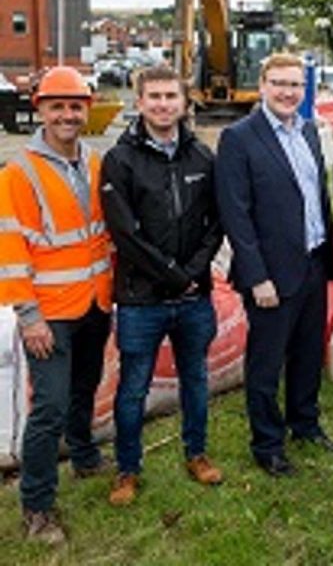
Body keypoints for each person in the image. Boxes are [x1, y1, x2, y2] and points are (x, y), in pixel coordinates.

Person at [100, 66, 224, 505]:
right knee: (133, 387)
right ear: (139, 102)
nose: (163, 104)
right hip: (141, 300)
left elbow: (217, 222)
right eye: (153, 96)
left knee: (195, 377)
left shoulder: (202, 157)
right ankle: (127, 469)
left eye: (171, 96)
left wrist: (193, 271)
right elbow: (125, 234)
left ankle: (197, 453)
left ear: (185, 102)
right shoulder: (121, 159)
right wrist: (175, 274)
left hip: (194, 299)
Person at [0, 67, 113, 544]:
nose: (67, 115)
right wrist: (29, 317)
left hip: (94, 303)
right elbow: (10, 250)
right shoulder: (18, 173)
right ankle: (38, 507)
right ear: (41, 109)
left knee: (84, 388)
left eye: (75, 106)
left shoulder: (94, 163)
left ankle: (85, 456)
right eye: (57, 106)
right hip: (49, 314)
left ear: (87, 110)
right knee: (47, 407)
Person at [216, 53, 333, 477]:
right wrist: (257, 277)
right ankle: (267, 443)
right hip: (270, 273)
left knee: (307, 355)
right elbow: (236, 214)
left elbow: (316, 197)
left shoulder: (306, 131)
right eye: (280, 84)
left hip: (311, 262)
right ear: (263, 85)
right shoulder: (239, 138)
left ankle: (304, 423)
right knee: (266, 364)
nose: (288, 92)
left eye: (296, 85)